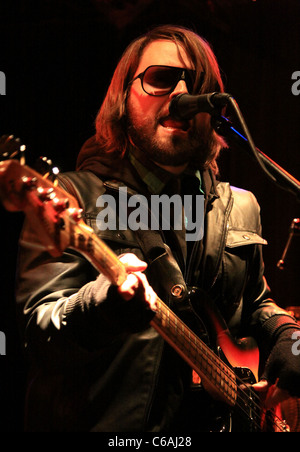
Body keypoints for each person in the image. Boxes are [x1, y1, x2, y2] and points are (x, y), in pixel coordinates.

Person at [16, 24, 300, 432]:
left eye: (196, 84)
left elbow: (254, 304)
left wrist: (288, 337)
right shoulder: (71, 197)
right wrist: (101, 306)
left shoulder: (242, 205)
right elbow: (38, 330)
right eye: (161, 79)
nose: (181, 94)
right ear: (122, 97)